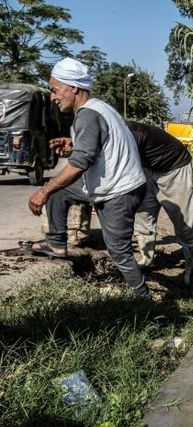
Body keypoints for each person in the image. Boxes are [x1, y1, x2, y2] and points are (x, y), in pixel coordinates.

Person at [25, 57, 151, 299]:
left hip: (119, 190)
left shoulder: (87, 115)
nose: (53, 96)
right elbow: (97, 148)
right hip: (117, 183)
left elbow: (81, 163)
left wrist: (43, 190)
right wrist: (74, 146)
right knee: (60, 191)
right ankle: (56, 242)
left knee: (119, 251)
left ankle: (145, 302)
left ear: (73, 88)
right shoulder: (99, 107)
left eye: (55, 90)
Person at [126, 120, 193, 285]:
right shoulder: (113, 133)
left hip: (174, 168)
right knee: (143, 214)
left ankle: (192, 266)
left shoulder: (132, 133)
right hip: (148, 169)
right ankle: (146, 259)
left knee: (182, 221)